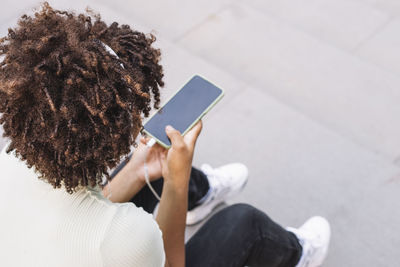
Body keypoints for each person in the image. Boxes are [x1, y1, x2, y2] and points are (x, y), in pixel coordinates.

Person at [0, 3, 331, 267]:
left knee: (144, 170)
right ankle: (296, 253)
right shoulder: (126, 239)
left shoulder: (9, 160)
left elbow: (77, 208)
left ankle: (197, 194)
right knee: (245, 223)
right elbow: (172, 263)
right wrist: (177, 181)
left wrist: (136, 169)